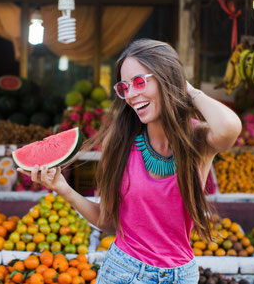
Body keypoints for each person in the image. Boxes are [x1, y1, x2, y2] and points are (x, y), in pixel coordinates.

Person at [17, 39, 242, 284]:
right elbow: (109, 222)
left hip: (182, 276)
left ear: (167, 79)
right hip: (124, 272)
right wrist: (63, 188)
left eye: (139, 82)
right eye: (124, 87)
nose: (132, 95)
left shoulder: (197, 140)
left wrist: (187, 89)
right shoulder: (122, 143)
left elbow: (229, 128)